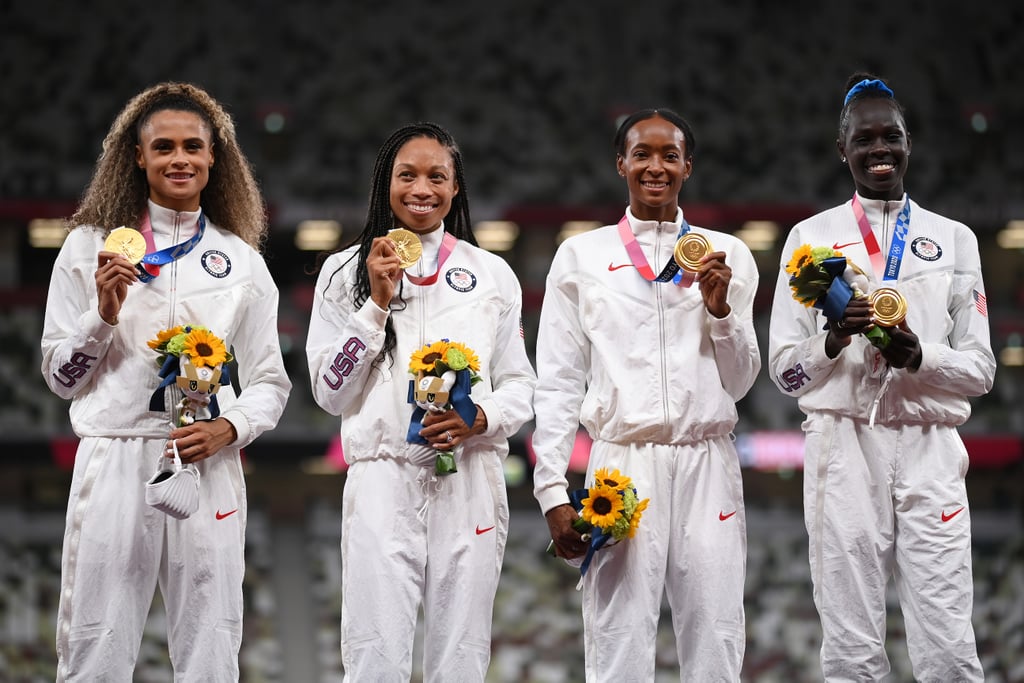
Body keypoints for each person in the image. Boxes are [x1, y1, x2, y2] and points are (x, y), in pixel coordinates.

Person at [40, 82, 292, 681]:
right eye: (164, 147)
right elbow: (60, 377)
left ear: (213, 157)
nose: (179, 158)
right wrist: (101, 314)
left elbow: (270, 381)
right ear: (137, 156)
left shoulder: (241, 260)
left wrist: (230, 427)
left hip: (207, 462)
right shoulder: (87, 248)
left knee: (211, 638)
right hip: (115, 453)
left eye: (192, 147)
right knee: (96, 638)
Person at [767, 73, 995, 681]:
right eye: (863, 140)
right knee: (850, 647)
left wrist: (921, 357)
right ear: (841, 149)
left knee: (948, 643)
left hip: (929, 448)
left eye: (889, 136)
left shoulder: (954, 239)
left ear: (908, 142)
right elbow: (784, 376)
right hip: (841, 448)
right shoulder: (808, 239)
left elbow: (981, 372)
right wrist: (834, 338)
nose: (879, 150)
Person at [532, 109, 760, 681]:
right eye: (642, 154)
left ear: (688, 165)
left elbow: (742, 380)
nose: (655, 166)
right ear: (621, 164)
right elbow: (558, 382)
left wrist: (722, 312)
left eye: (669, 155)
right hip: (621, 465)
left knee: (716, 632)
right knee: (617, 639)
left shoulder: (726, 254)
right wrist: (552, 490)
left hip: (707, 458)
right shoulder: (580, 257)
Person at [305, 122, 535, 681]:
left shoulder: (491, 274)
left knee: (461, 655)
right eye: (407, 175)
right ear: (386, 182)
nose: (421, 189)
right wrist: (375, 306)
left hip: (471, 476)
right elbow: (329, 393)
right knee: (374, 653)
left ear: (456, 189)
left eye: (437, 176)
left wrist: (479, 418)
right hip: (382, 477)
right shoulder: (342, 271)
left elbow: (522, 386)